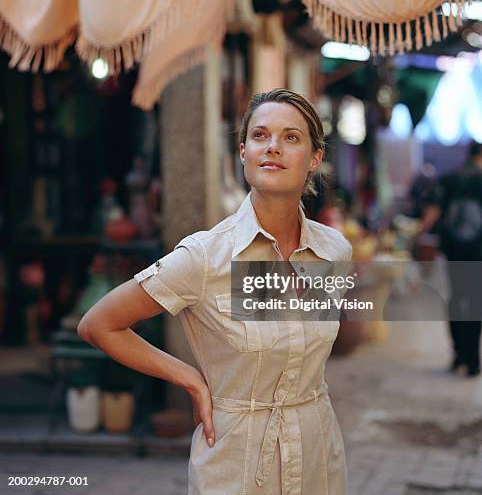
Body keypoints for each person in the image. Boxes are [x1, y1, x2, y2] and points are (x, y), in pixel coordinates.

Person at [78, 88, 353, 494]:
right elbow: (99, 324)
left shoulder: (333, 250)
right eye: (260, 136)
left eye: (291, 137)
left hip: (317, 456)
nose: (272, 147)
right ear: (243, 152)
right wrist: (189, 377)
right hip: (236, 464)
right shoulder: (205, 256)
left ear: (315, 157)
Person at [419, 140, 482, 377]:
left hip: (454, 251)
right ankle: (473, 360)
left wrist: (418, 235)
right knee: (474, 300)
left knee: (456, 297)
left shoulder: (450, 177)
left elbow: (432, 213)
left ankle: (458, 356)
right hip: (477, 252)